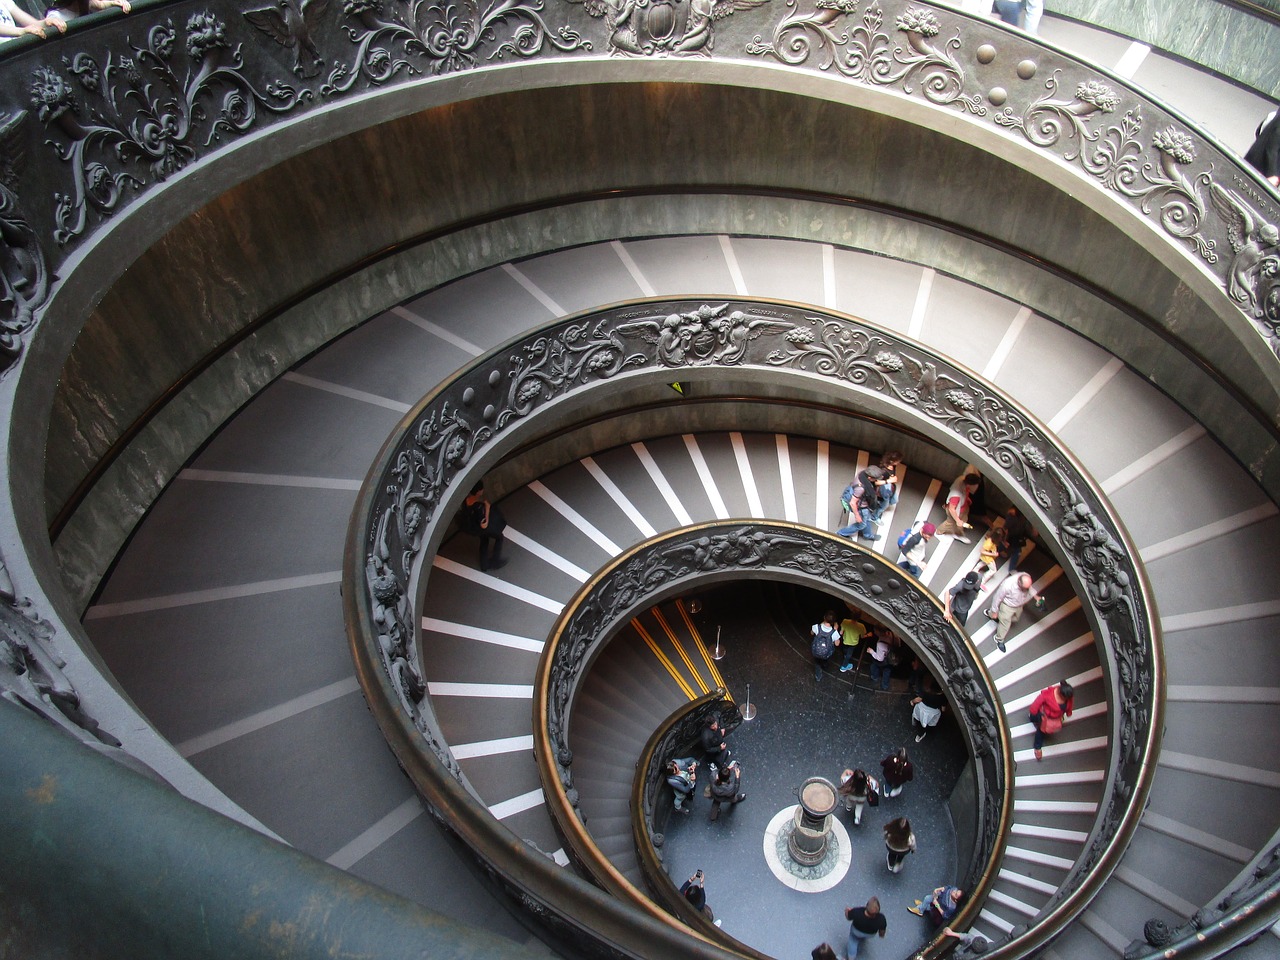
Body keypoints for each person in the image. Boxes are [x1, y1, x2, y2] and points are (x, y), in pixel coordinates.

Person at [985, 572, 1039, 653]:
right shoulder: (1007, 585)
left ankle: (995, 615)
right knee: (1006, 624)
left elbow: (1029, 588)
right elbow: (997, 598)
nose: (1026, 590)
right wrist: (994, 610)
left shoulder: (1026, 576)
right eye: (1024, 588)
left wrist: (1036, 597)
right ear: (1019, 583)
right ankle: (999, 639)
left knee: (1015, 619)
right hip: (1008, 606)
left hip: (1019, 605)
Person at [461, 482, 507, 572]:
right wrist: (487, 508)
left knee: (484, 541)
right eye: (481, 490)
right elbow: (484, 524)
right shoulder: (478, 507)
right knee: (499, 537)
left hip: (474, 526)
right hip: (481, 528)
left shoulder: (467, 500)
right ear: (478, 492)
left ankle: (484, 564)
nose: (482, 491)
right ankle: (495, 560)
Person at [1028, 680, 1074, 761]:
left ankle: (1032, 717)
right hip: (1045, 716)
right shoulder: (1047, 694)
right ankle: (1037, 747)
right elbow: (1037, 703)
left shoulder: (1068, 696)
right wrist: (1033, 711)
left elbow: (1069, 704)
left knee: (1039, 722)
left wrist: (1068, 712)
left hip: (1056, 717)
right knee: (1041, 731)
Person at [937, 472, 980, 542]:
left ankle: (958, 533)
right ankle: (939, 532)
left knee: (963, 520)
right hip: (955, 510)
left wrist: (966, 498)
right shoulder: (956, 495)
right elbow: (951, 509)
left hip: (962, 507)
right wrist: (958, 520)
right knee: (950, 523)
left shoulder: (961, 479)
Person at [1245, 108, 1280, 187]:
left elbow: (1258, 132)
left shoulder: (1273, 115)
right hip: (1263, 171)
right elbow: (1272, 147)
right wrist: (1272, 174)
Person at [870, 451, 904, 524]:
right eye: (898, 461)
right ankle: (874, 517)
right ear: (892, 461)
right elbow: (876, 482)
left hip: (890, 488)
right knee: (884, 506)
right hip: (884, 490)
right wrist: (889, 481)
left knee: (894, 500)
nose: (899, 462)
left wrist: (892, 479)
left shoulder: (893, 466)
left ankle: (878, 504)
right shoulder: (883, 471)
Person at [999, 506, 1032, 573]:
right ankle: (1011, 568)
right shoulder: (1012, 517)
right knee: (1016, 551)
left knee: (1014, 549)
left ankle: (999, 550)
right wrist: (1004, 539)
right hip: (1012, 535)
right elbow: (1005, 528)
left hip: (1017, 536)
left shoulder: (1020, 518)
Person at [811, 610, 840, 681]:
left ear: (824, 617)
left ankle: (818, 676)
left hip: (816, 651)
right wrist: (836, 630)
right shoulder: (833, 633)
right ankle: (825, 665)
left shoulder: (816, 627)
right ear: (833, 622)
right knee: (825, 659)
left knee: (817, 663)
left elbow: (812, 633)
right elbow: (837, 643)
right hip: (826, 652)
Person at [866, 626, 894, 691]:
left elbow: (880, 658)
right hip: (891, 658)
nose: (874, 632)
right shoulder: (893, 634)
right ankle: (885, 685)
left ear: (879, 632)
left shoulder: (880, 644)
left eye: (875, 631)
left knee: (874, 665)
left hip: (884, 660)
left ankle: (875, 677)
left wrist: (871, 651)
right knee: (887, 670)